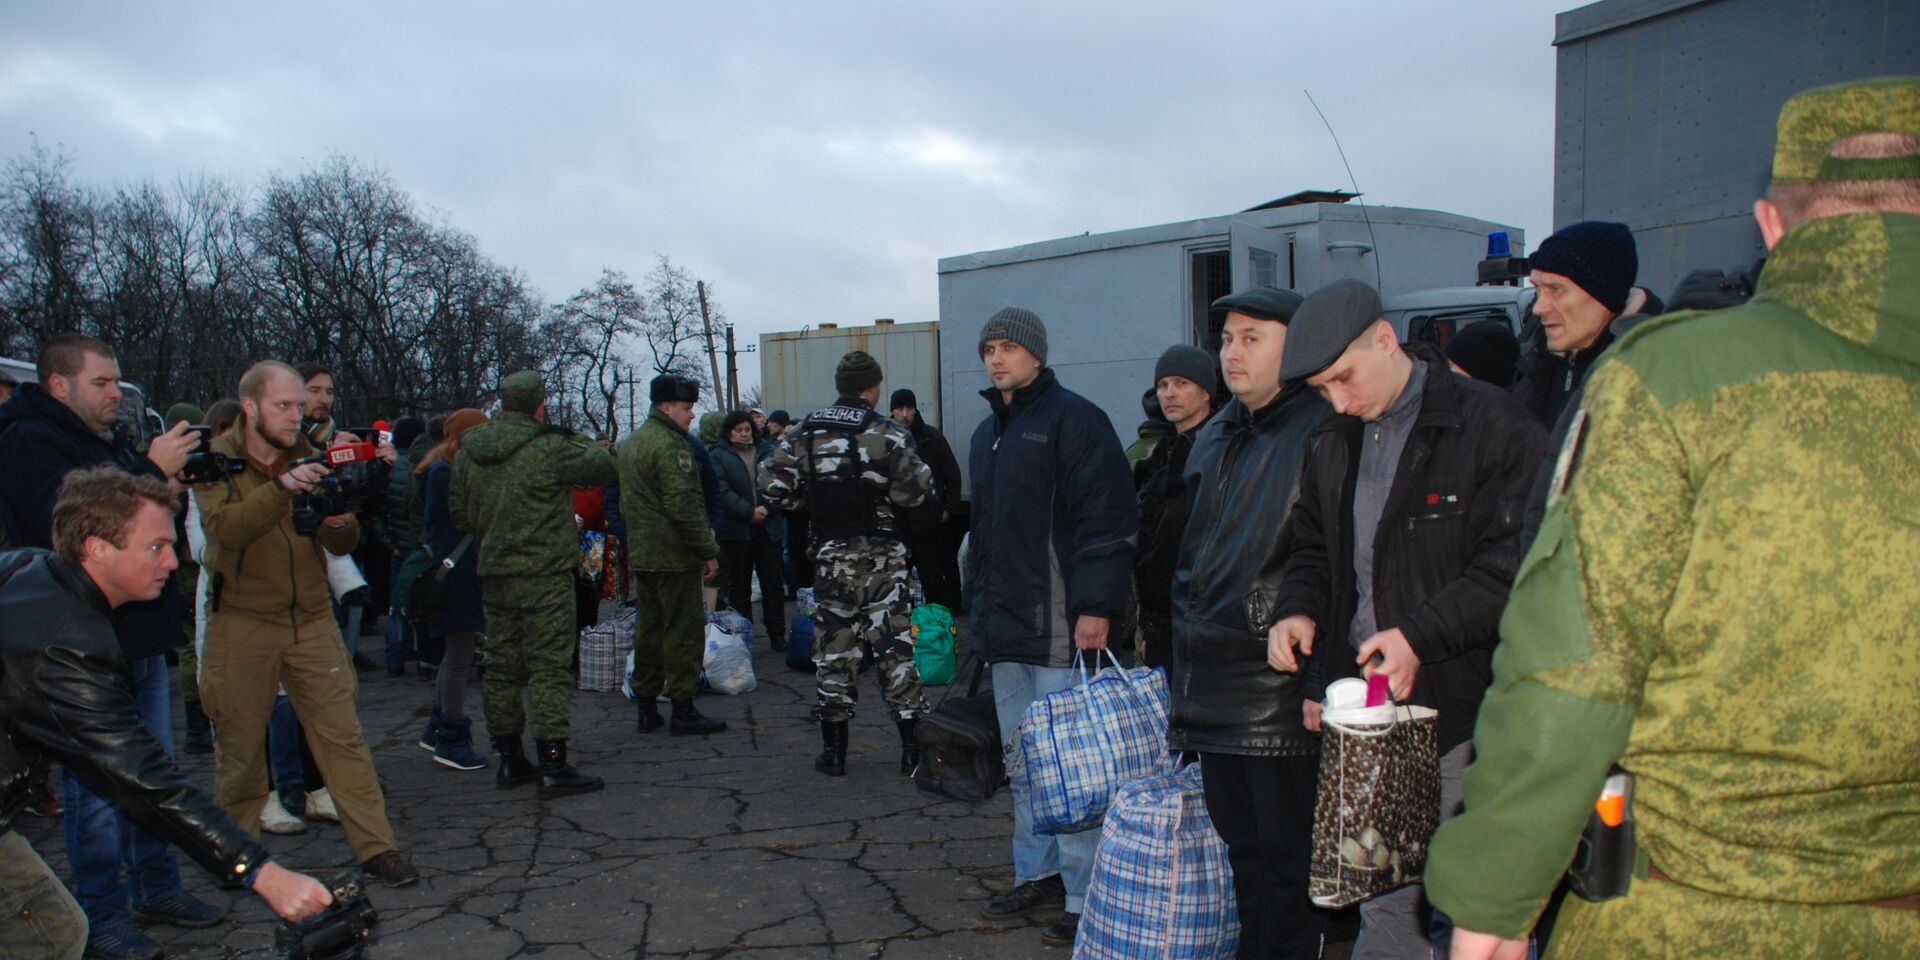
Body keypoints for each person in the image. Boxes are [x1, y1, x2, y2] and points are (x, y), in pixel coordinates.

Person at [1432, 75, 1920, 960]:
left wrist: (1492, 896)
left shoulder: (1680, 382)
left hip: (1689, 914)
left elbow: (1576, 671)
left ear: (1772, 225)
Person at [1249, 279, 1545, 959]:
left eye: (1345, 379)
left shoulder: (1495, 426)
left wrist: (1418, 636)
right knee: (1384, 900)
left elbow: (1517, 568)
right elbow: (1317, 551)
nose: (1339, 401)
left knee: (1474, 911)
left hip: (1469, 717)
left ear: (1385, 339)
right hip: (1373, 720)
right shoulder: (1333, 438)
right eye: (1323, 390)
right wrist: (1298, 617)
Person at [0, 467, 337, 960]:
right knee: (55, 936)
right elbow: (141, 777)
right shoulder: (67, 645)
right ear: (96, 547)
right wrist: (261, 872)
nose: (172, 559)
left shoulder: (28, 569)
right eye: (155, 546)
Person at [0, 335, 217, 960]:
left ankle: (158, 887)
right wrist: (150, 471)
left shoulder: (106, 442)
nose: (115, 393)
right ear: (59, 384)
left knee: (151, 770)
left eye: (118, 381)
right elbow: (74, 531)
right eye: (101, 382)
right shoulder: (26, 442)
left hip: (138, 632)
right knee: (95, 786)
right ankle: (102, 917)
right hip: (75, 643)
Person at [193, 360, 418, 887]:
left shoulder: (312, 455)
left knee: (343, 739)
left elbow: (340, 543)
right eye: (284, 406)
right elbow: (227, 529)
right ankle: (237, 859)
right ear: (249, 407)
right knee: (242, 747)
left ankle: (378, 848)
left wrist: (340, 521)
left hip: (312, 617)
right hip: (244, 619)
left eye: (301, 405)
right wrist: (283, 487)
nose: (298, 416)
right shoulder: (214, 462)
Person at [1164, 288, 1331, 960]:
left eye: (1252, 337)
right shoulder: (1217, 431)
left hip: (1278, 684)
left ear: (1297, 345)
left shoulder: (1321, 427)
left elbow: (1328, 560)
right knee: (1243, 854)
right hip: (1211, 676)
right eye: (1228, 338)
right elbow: (1192, 554)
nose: (1233, 352)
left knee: (1288, 863)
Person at [965, 308, 1136, 948]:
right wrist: (976, 619)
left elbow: (1108, 521)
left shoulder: (1077, 420)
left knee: (1073, 770)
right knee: (1023, 765)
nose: (996, 358)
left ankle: (1084, 894)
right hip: (1006, 629)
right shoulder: (988, 435)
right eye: (988, 348)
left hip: (1064, 628)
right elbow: (981, 539)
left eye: (1008, 346)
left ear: (1036, 354)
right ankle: (1033, 874)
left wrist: (1098, 606)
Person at [762, 352, 936, 777]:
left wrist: (813, 500)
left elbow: (772, 486)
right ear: (872, 388)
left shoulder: (803, 433)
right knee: (895, 650)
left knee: (835, 651)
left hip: (831, 559)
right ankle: (912, 750)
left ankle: (834, 753)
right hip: (884, 560)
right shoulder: (889, 433)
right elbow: (916, 492)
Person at [450, 371, 615, 797]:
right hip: (544, 575)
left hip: (496, 573)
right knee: (548, 667)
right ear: (540, 405)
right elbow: (603, 465)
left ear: (502, 405)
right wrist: (562, 431)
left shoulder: (470, 451)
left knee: (502, 668)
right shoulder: (550, 446)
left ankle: (509, 759)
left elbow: (460, 515)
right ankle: (553, 764)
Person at [619, 375, 728, 736]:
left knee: (648, 631)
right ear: (667, 407)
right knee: (683, 632)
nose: (691, 415)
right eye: (686, 408)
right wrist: (707, 551)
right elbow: (683, 506)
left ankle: (646, 705)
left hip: (645, 553)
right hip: (675, 555)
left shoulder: (633, 442)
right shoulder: (672, 446)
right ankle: (683, 708)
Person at [412, 408, 490, 771]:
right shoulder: (447, 474)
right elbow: (470, 516)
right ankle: (451, 737)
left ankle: (437, 727)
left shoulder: (440, 468)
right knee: (459, 655)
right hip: (455, 574)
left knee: (453, 654)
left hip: (453, 570)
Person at [1131, 343, 1217, 671]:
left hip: (1199, 619)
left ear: (1206, 391)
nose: (1169, 393)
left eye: (1181, 383)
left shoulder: (1218, 450)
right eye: (1163, 385)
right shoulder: (1159, 455)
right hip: (1158, 618)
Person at [1508, 221, 1642, 426]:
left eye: (1556, 290)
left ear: (1604, 297)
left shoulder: (1646, 382)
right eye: (1538, 290)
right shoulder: (1537, 367)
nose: (1538, 308)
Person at [886, 388, 963, 614]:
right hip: (896, 526)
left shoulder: (932, 438)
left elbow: (952, 475)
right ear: (892, 411)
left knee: (934, 584)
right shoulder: (884, 440)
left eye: (909, 408)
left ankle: (937, 631)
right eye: (900, 408)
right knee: (896, 587)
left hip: (927, 525)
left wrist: (948, 510)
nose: (905, 413)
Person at [715, 410, 787, 641]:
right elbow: (721, 491)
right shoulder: (718, 456)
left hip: (768, 526)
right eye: (739, 430)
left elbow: (782, 482)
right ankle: (742, 635)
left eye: (747, 429)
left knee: (773, 583)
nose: (745, 434)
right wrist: (748, 512)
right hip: (737, 529)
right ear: (729, 432)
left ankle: (777, 634)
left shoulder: (768, 450)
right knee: (740, 586)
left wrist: (767, 508)